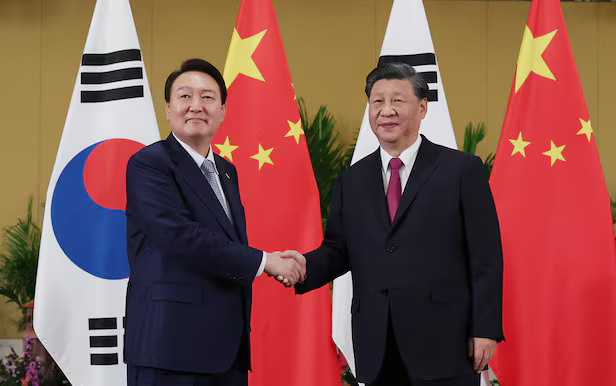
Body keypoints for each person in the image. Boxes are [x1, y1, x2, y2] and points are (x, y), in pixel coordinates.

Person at [287, 62, 504, 386]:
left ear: (422, 107)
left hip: (445, 343)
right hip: (377, 343)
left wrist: (484, 329)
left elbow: (485, 256)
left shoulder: (461, 170)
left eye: (397, 101)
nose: (385, 110)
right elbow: (340, 248)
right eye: (377, 102)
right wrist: (304, 265)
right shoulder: (352, 179)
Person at [123, 58, 303, 386]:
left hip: (227, 352)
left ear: (222, 111)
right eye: (185, 96)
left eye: (208, 97)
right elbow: (179, 237)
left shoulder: (227, 172)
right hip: (170, 350)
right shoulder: (148, 164)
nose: (196, 106)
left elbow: (226, 244)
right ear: (168, 108)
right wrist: (266, 261)